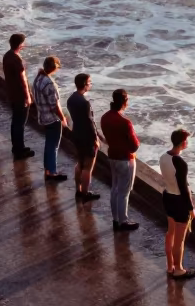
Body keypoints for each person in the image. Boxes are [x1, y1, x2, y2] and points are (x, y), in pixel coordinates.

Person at [100, 89, 140, 230]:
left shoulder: (105, 117)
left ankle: (115, 219)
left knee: (115, 188)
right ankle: (123, 221)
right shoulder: (125, 122)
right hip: (125, 159)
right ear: (124, 102)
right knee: (124, 191)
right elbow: (135, 146)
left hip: (112, 156)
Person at [158, 128, 195, 277]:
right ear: (182, 142)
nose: (188, 142)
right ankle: (179, 269)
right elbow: (183, 187)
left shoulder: (163, 157)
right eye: (187, 140)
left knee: (170, 233)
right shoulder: (180, 163)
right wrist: (191, 208)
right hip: (179, 201)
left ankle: (170, 267)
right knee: (179, 240)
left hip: (168, 196)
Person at [33, 56, 68, 181]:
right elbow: (54, 106)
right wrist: (63, 118)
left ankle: (48, 170)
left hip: (42, 116)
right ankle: (52, 172)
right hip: (52, 119)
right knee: (53, 146)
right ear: (53, 68)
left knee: (48, 144)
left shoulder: (38, 78)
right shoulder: (49, 83)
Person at [67, 73, 100, 201]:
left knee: (79, 163)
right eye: (89, 82)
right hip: (87, 137)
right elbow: (90, 123)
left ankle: (78, 190)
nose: (90, 84)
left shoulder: (71, 99)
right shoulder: (85, 103)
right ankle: (86, 193)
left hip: (76, 134)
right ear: (85, 84)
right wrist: (96, 139)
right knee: (88, 167)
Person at [2, 33, 34, 159]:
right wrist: (28, 96)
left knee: (15, 121)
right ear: (20, 44)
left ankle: (17, 147)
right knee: (20, 123)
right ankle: (19, 150)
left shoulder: (7, 56)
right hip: (20, 95)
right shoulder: (17, 59)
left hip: (12, 93)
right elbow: (23, 80)